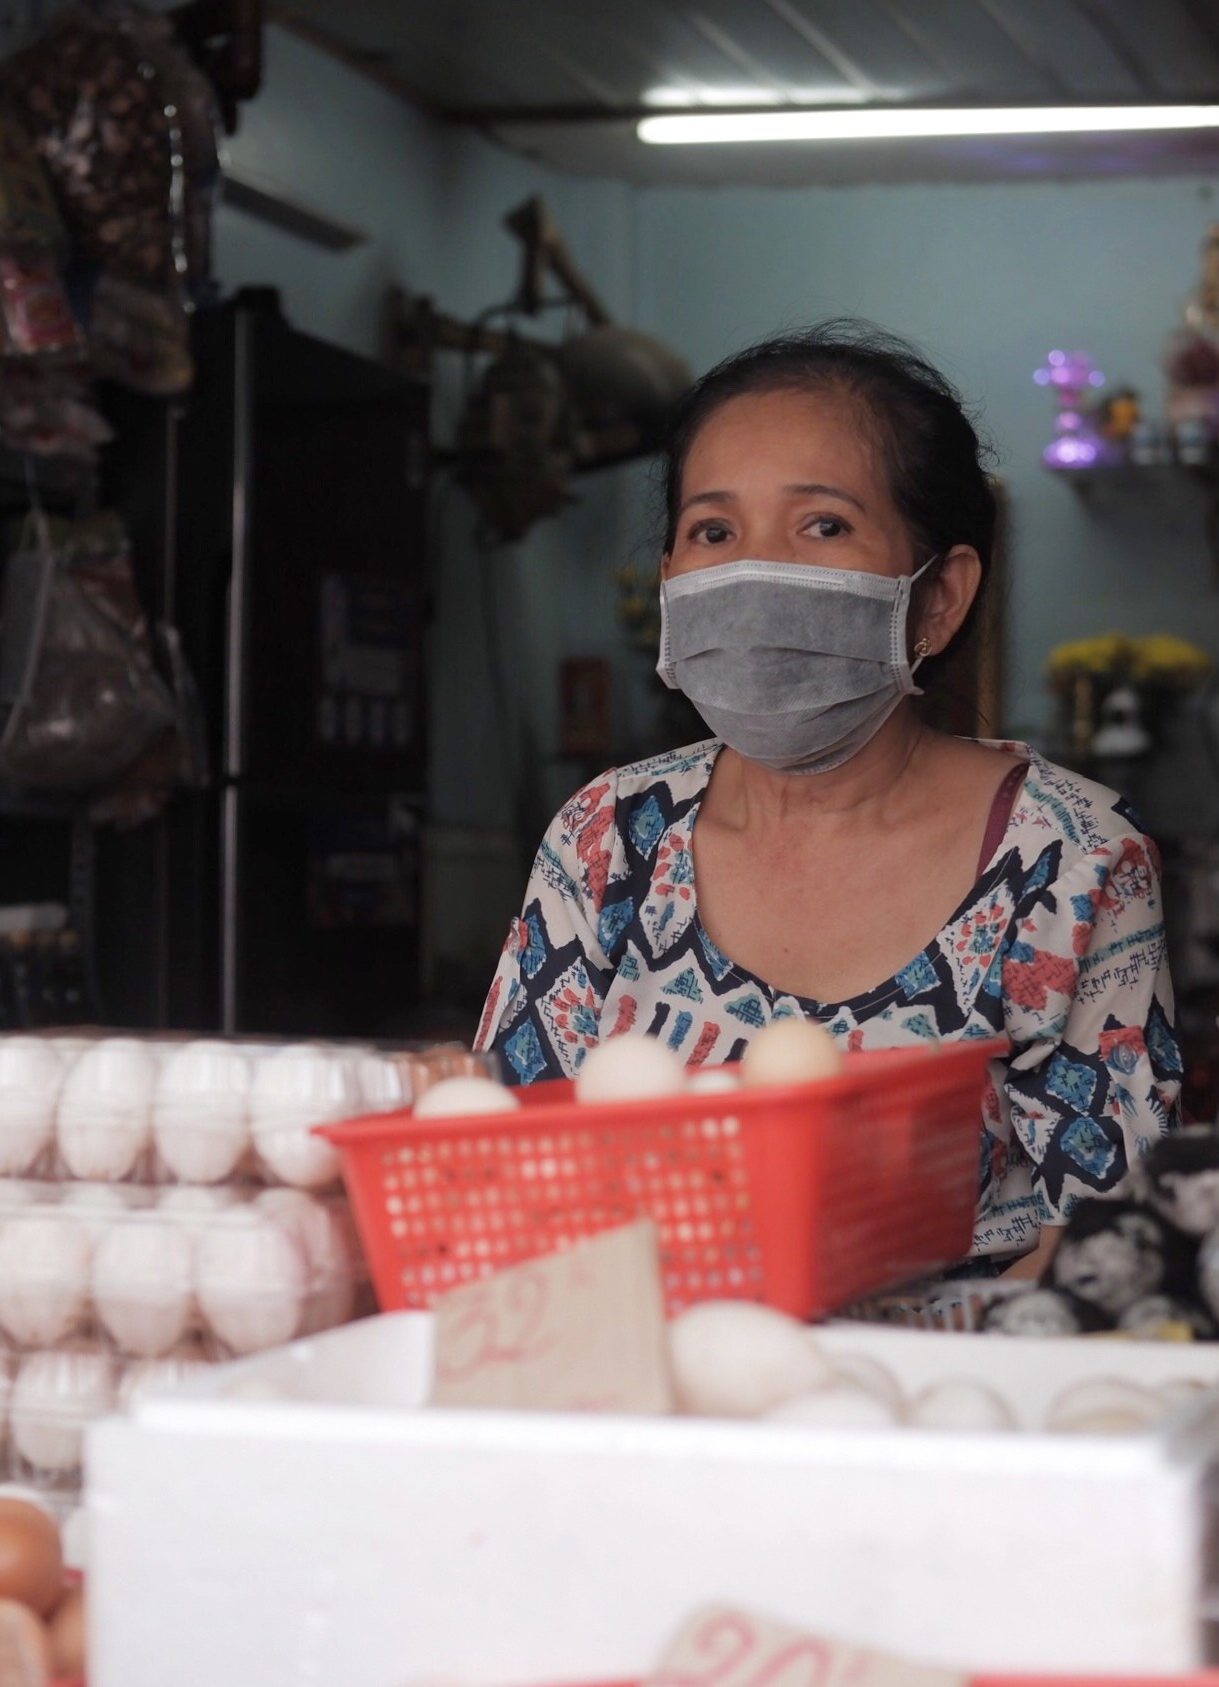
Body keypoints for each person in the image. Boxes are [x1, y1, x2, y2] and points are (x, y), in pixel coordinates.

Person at [475, 323, 1181, 1281]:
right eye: (713, 531)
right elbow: (499, 1163)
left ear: (936, 599)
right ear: (674, 579)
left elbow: (1106, 1247)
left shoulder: (1070, 860)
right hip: (643, 1393)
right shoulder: (608, 838)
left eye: (822, 525)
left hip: (942, 1410)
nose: (756, 573)